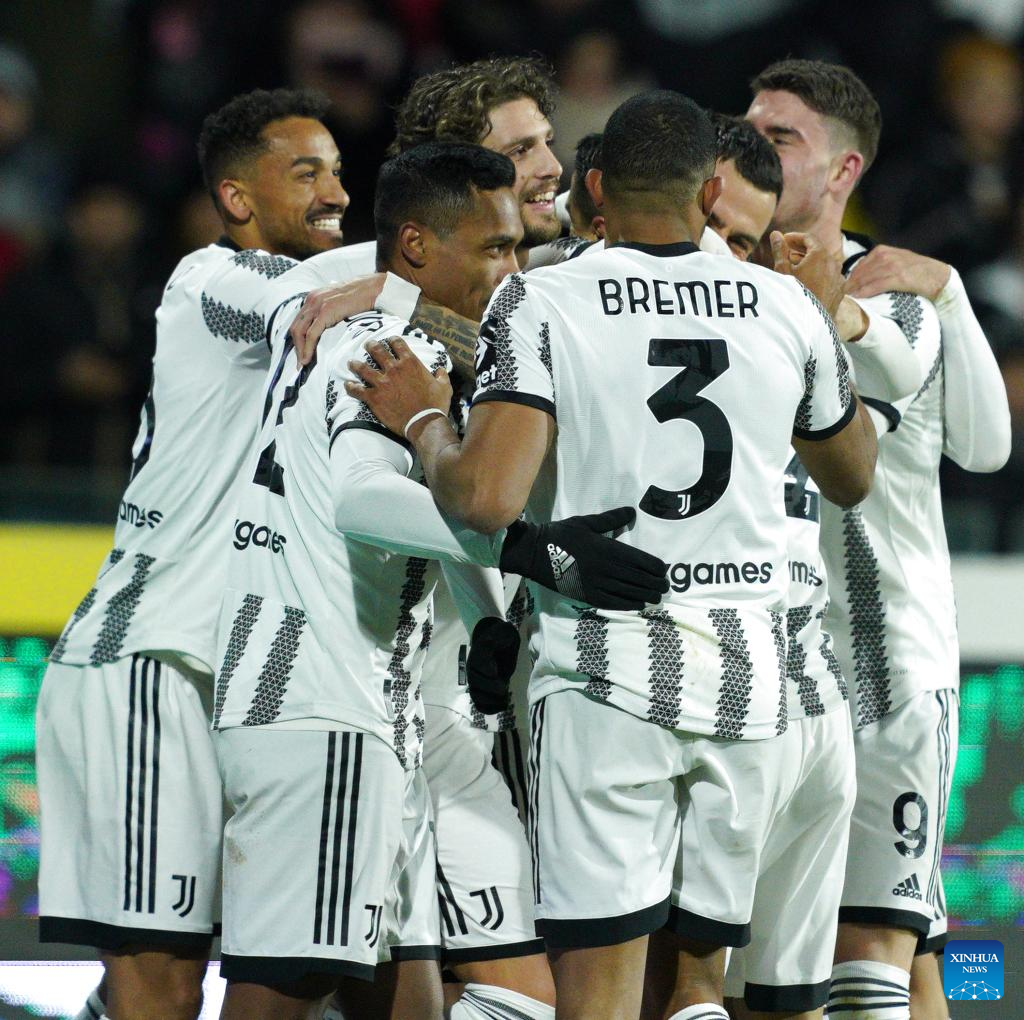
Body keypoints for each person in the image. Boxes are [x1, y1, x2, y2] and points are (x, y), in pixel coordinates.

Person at [344, 90, 877, 1020]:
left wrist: (425, 419)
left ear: (594, 187)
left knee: (600, 992)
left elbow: (486, 497)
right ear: (710, 192)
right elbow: (853, 474)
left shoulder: (542, 299)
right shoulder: (785, 305)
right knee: (696, 988)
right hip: (751, 683)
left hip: (606, 668)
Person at [210, 140, 670, 1020]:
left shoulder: (363, 333)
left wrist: (483, 615)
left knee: (416, 1003)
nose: (512, 271)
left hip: (365, 719)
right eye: (495, 248)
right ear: (417, 246)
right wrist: (526, 548)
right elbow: (362, 500)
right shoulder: (391, 349)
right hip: (327, 716)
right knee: (275, 1002)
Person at [36, 87, 350, 1020]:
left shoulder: (352, 311)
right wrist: (458, 253)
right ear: (237, 198)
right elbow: (309, 302)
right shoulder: (211, 280)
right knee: (165, 989)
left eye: (338, 170)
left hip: (256, 678)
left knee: (284, 975)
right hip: (156, 658)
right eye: (307, 173)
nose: (337, 192)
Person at [747, 58, 1011, 1019]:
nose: (751, 150)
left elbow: (984, 445)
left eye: (781, 138)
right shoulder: (705, 288)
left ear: (844, 169)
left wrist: (934, 298)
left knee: (872, 960)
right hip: (761, 672)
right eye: (746, 131)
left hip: (884, 670)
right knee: (786, 970)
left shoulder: (894, 289)